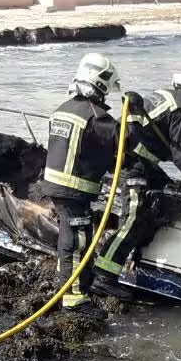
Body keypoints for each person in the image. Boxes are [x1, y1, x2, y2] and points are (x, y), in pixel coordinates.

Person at [92, 73, 181, 297]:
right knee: (133, 218)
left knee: (169, 192)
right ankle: (104, 276)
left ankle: (139, 259)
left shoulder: (178, 98)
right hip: (132, 161)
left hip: (136, 158)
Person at [41, 52, 126, 321]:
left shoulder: (63, 108)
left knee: (72, 239)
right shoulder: (96, 117)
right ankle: (74, 300)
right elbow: (123, 142)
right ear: (100, 84)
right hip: (74, 188)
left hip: (56, 185)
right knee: (77, 242)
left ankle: (67, 287)